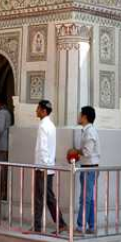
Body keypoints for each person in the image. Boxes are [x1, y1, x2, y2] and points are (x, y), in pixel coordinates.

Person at [33, 100, 65, 232]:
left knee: (40, 198)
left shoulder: (43, 126)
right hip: (48, 166)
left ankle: (38, 227)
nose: (36, 111)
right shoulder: (51, 125)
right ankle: (60, 223)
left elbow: (43, 148)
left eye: (38, 109)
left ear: (44, 111)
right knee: (48, 197)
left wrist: (44, 167)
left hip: (43, 167)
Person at [72, 106, 100, 234]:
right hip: (88, 167)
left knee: (85, 198)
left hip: (89, 169)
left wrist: (74, 151)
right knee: (89, 198)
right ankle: (91, 226)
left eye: (80, 115)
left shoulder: (90, 132)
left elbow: (87, 152)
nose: (78, 117)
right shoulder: (87, 131)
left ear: (84, 117)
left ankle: (81, 226)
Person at [0, 95, 13, 199]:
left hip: (1, 145)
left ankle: (2, 193)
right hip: (5, 145)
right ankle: (3, 192)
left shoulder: (1, 113)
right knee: (3, 169)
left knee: (0, 170)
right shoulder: (6, 111)